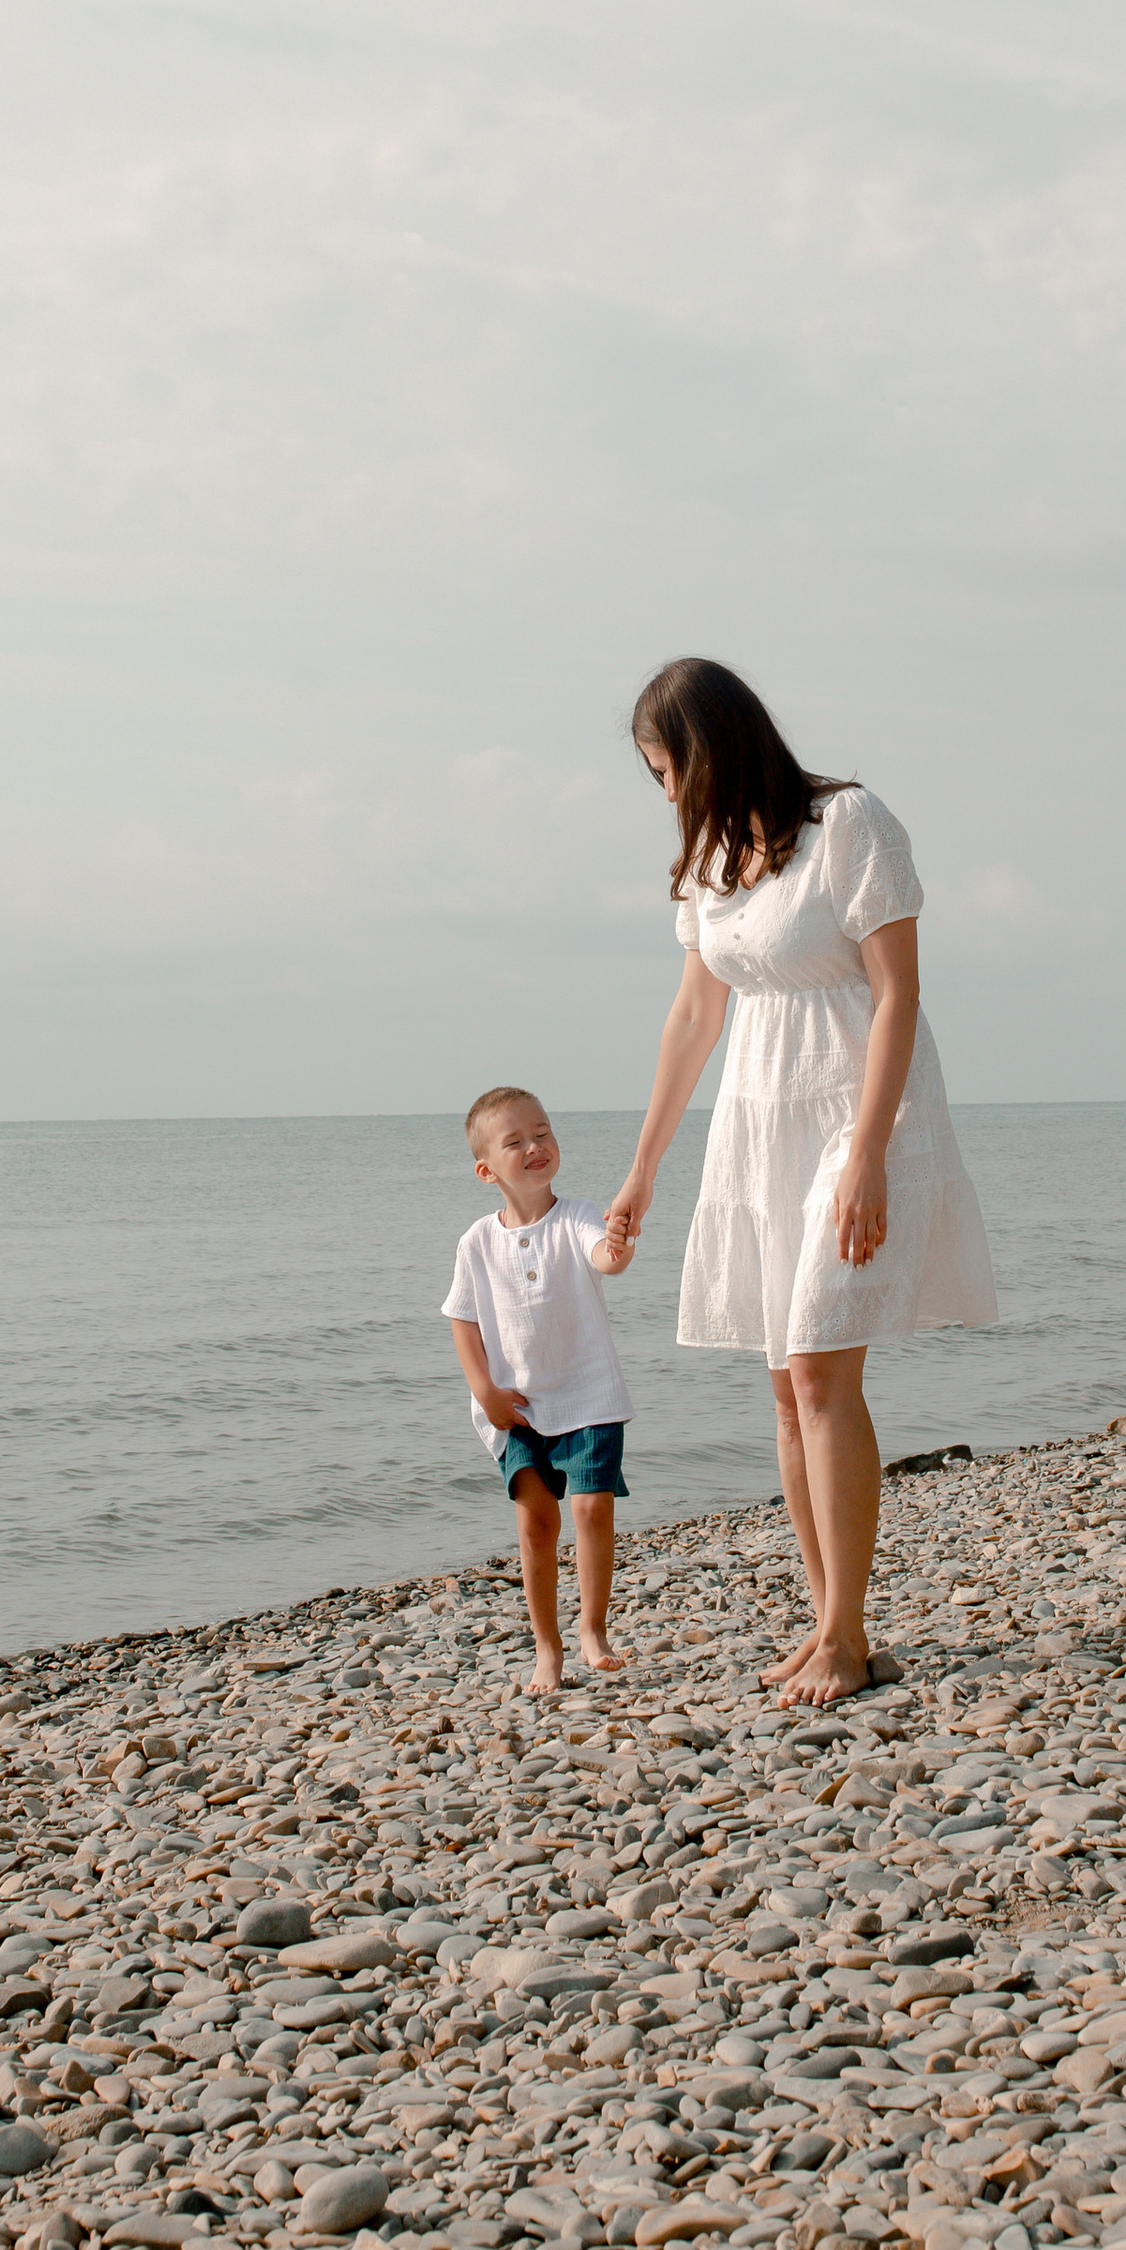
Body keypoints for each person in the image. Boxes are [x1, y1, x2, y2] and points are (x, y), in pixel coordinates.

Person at [607, 658, 997, 1709]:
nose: (665, 794)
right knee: (785, 1387)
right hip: (756, 1123)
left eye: (665, 769)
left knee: (823, 1372)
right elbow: (693, 1019)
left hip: (854, 1107)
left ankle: (846, 1633)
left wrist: (868, 1152)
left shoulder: (850, 823)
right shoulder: (704, 864)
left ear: (714, 746)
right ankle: (831, 1624)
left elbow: (899, 991)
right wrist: (641, 1172)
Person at [444, 1088, 637, 1697]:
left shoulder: (578, 1215)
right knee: (536, 1523)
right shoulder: (477, 1241)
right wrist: (485, 1391)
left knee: (591, 1508)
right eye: (516, 1141)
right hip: (516, 1407)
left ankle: (593, 1630)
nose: (535, 1146)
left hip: (589, 1394)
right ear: (486, 1170)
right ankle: (546, 1648)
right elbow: (463, 1318)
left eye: (543, 1132)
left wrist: (618, 1245)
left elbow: (603, 1257)